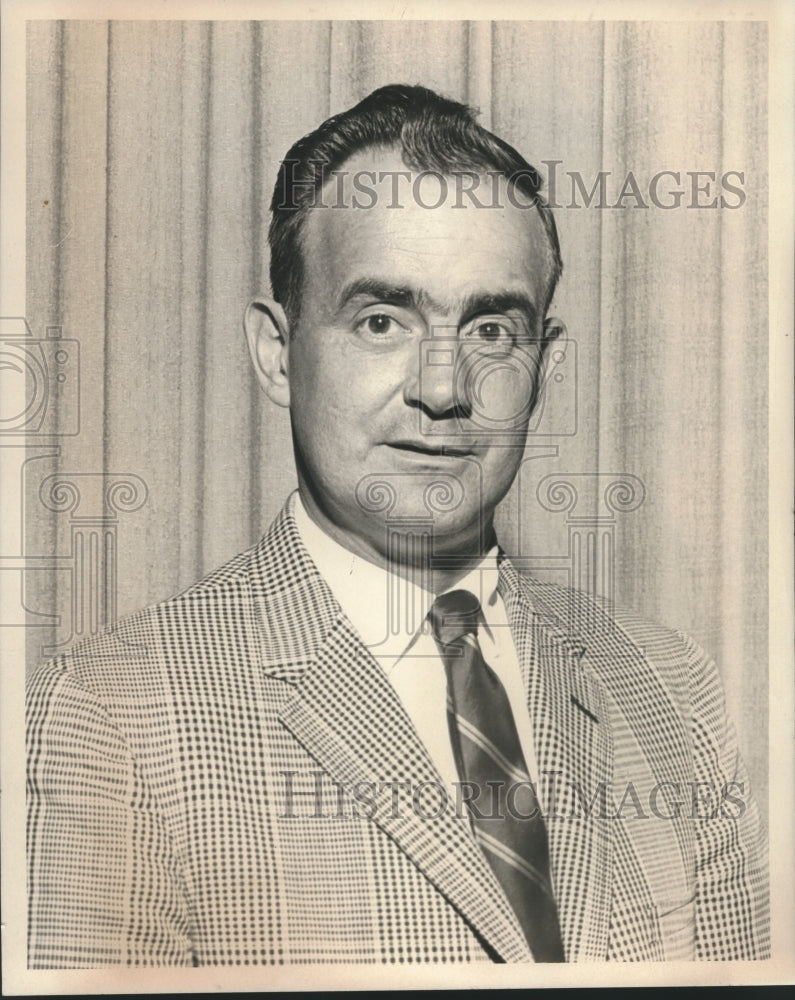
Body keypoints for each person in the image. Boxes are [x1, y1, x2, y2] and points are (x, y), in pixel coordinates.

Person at [26, 84, 769, 967]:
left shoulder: (671, 688)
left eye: (492, 329)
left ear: (545, 367)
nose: (445, 389)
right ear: (276, 354)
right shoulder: (111, 713)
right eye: (382, 321)